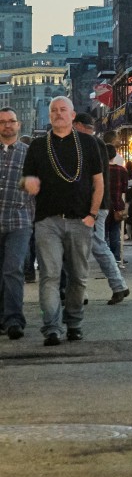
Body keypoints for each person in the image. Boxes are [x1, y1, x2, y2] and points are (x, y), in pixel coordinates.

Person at [22, 97, 105, 346]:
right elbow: (25, 180)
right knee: (50, 275)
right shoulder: (37, 146)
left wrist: (92, 215)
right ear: (49, 116)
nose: (58, 114)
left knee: (79, 276)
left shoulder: (88, 143)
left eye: (63, 110)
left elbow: (98, 182)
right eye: (54, 111)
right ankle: (52, 328)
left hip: (81, 220)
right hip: (47, 222)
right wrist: (28, 184)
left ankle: (74, 323)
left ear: (72, 115)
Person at [73, 113, 129, 305]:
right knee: (94, 245)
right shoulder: (97, 144)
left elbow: (89, 176)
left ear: (79, 125)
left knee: (94, 246)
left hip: (94, 204)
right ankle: (117, 285)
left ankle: (115, 285)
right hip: (97, 203)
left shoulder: (89, 144)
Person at [0, 107, 33, 340]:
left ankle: (13, 319)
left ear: (18, 125)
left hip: (19, 220)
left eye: (11, 121)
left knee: (13, 269)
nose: (7, 125)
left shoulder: (29, 154)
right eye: (2, 122)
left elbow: (37, 188)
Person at [105, 143, 130, 267]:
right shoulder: (122, 170)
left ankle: (105, 257)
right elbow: (125, 189)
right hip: (117, 205)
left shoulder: (100, 169)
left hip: (102, 205)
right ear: (114, 156)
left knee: (102, 233)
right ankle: (115, 257)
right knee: (115, 232)